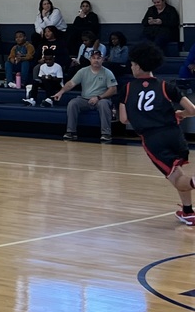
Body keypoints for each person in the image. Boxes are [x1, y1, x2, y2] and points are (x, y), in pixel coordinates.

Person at [117, 42, 195, 227]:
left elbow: (123, 119)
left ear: (138, 66)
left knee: (179, 181)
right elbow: (192, 110)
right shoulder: (166, 86)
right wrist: (180, 114)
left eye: (132, 64)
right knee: (178, 172)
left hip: (153, 139)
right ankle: (188, 212)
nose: (131, 67)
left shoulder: (127, 89)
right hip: (175, 135)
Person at [52, 50, 117, 142]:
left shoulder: (107, 72)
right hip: (85, 99)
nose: (96, 60)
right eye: (93, 58)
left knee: (104, 104)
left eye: (98, 58)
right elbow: (71, 83)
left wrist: (98, 97)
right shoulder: (83, 71)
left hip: (101, 99)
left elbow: (113, 89)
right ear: (90, 59)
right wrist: (60, 92)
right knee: (73, 103)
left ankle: (106, 133)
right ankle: (71, 132)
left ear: (102, 60)